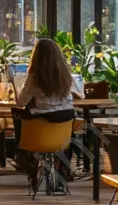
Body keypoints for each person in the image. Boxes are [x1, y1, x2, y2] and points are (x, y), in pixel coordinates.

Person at [12, 38, 77, 194]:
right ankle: (64, 168)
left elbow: (21, 102)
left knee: (17, 113)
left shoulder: (34, 78)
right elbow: (77, 95)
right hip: (62, 134)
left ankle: (24, 154)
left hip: (39, 133)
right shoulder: (67, 76)